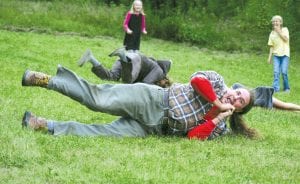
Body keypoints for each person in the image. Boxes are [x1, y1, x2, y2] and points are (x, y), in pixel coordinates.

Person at [21, 67, 257, 140]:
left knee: (101, 133)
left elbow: (192, 137)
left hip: (153, 128)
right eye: (238, 93)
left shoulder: (220, 126)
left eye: (240, 101)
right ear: (234, 89)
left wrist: (217, 116)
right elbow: (197, 81)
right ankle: (44, 79)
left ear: (239, 109)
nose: (235, 98)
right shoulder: (216, 82)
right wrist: (217, 101)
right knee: (97, 100)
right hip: (151, 100)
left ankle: (42, 124)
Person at [78, 48, 172, 88]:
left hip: (130, 59)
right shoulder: (159, 71)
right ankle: (122, 56)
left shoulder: (154, 68)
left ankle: (91, 58)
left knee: (111, 77)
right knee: (127, 81)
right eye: (163, 85)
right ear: (165, 79)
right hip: (136, 61)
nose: (161, 85)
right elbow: (145, 84)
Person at [232, 83, 300, 112]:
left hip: (264, 96)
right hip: (261, 98)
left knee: (284, 106)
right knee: (281, 108)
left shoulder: (236, 87)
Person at [267, 15, 290, 92]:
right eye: (274, 21)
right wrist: (269, 57)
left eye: (277, 21)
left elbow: (286, 39)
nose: (275, 22)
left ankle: (286, 88)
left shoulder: (285, 30)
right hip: (276, 55)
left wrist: (278, 31)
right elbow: (271, 46)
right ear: (272, 23)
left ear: (281, 22)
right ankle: (276, 89)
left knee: (284, 72)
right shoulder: (272, 34)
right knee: (276, 72)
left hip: (285, 54)